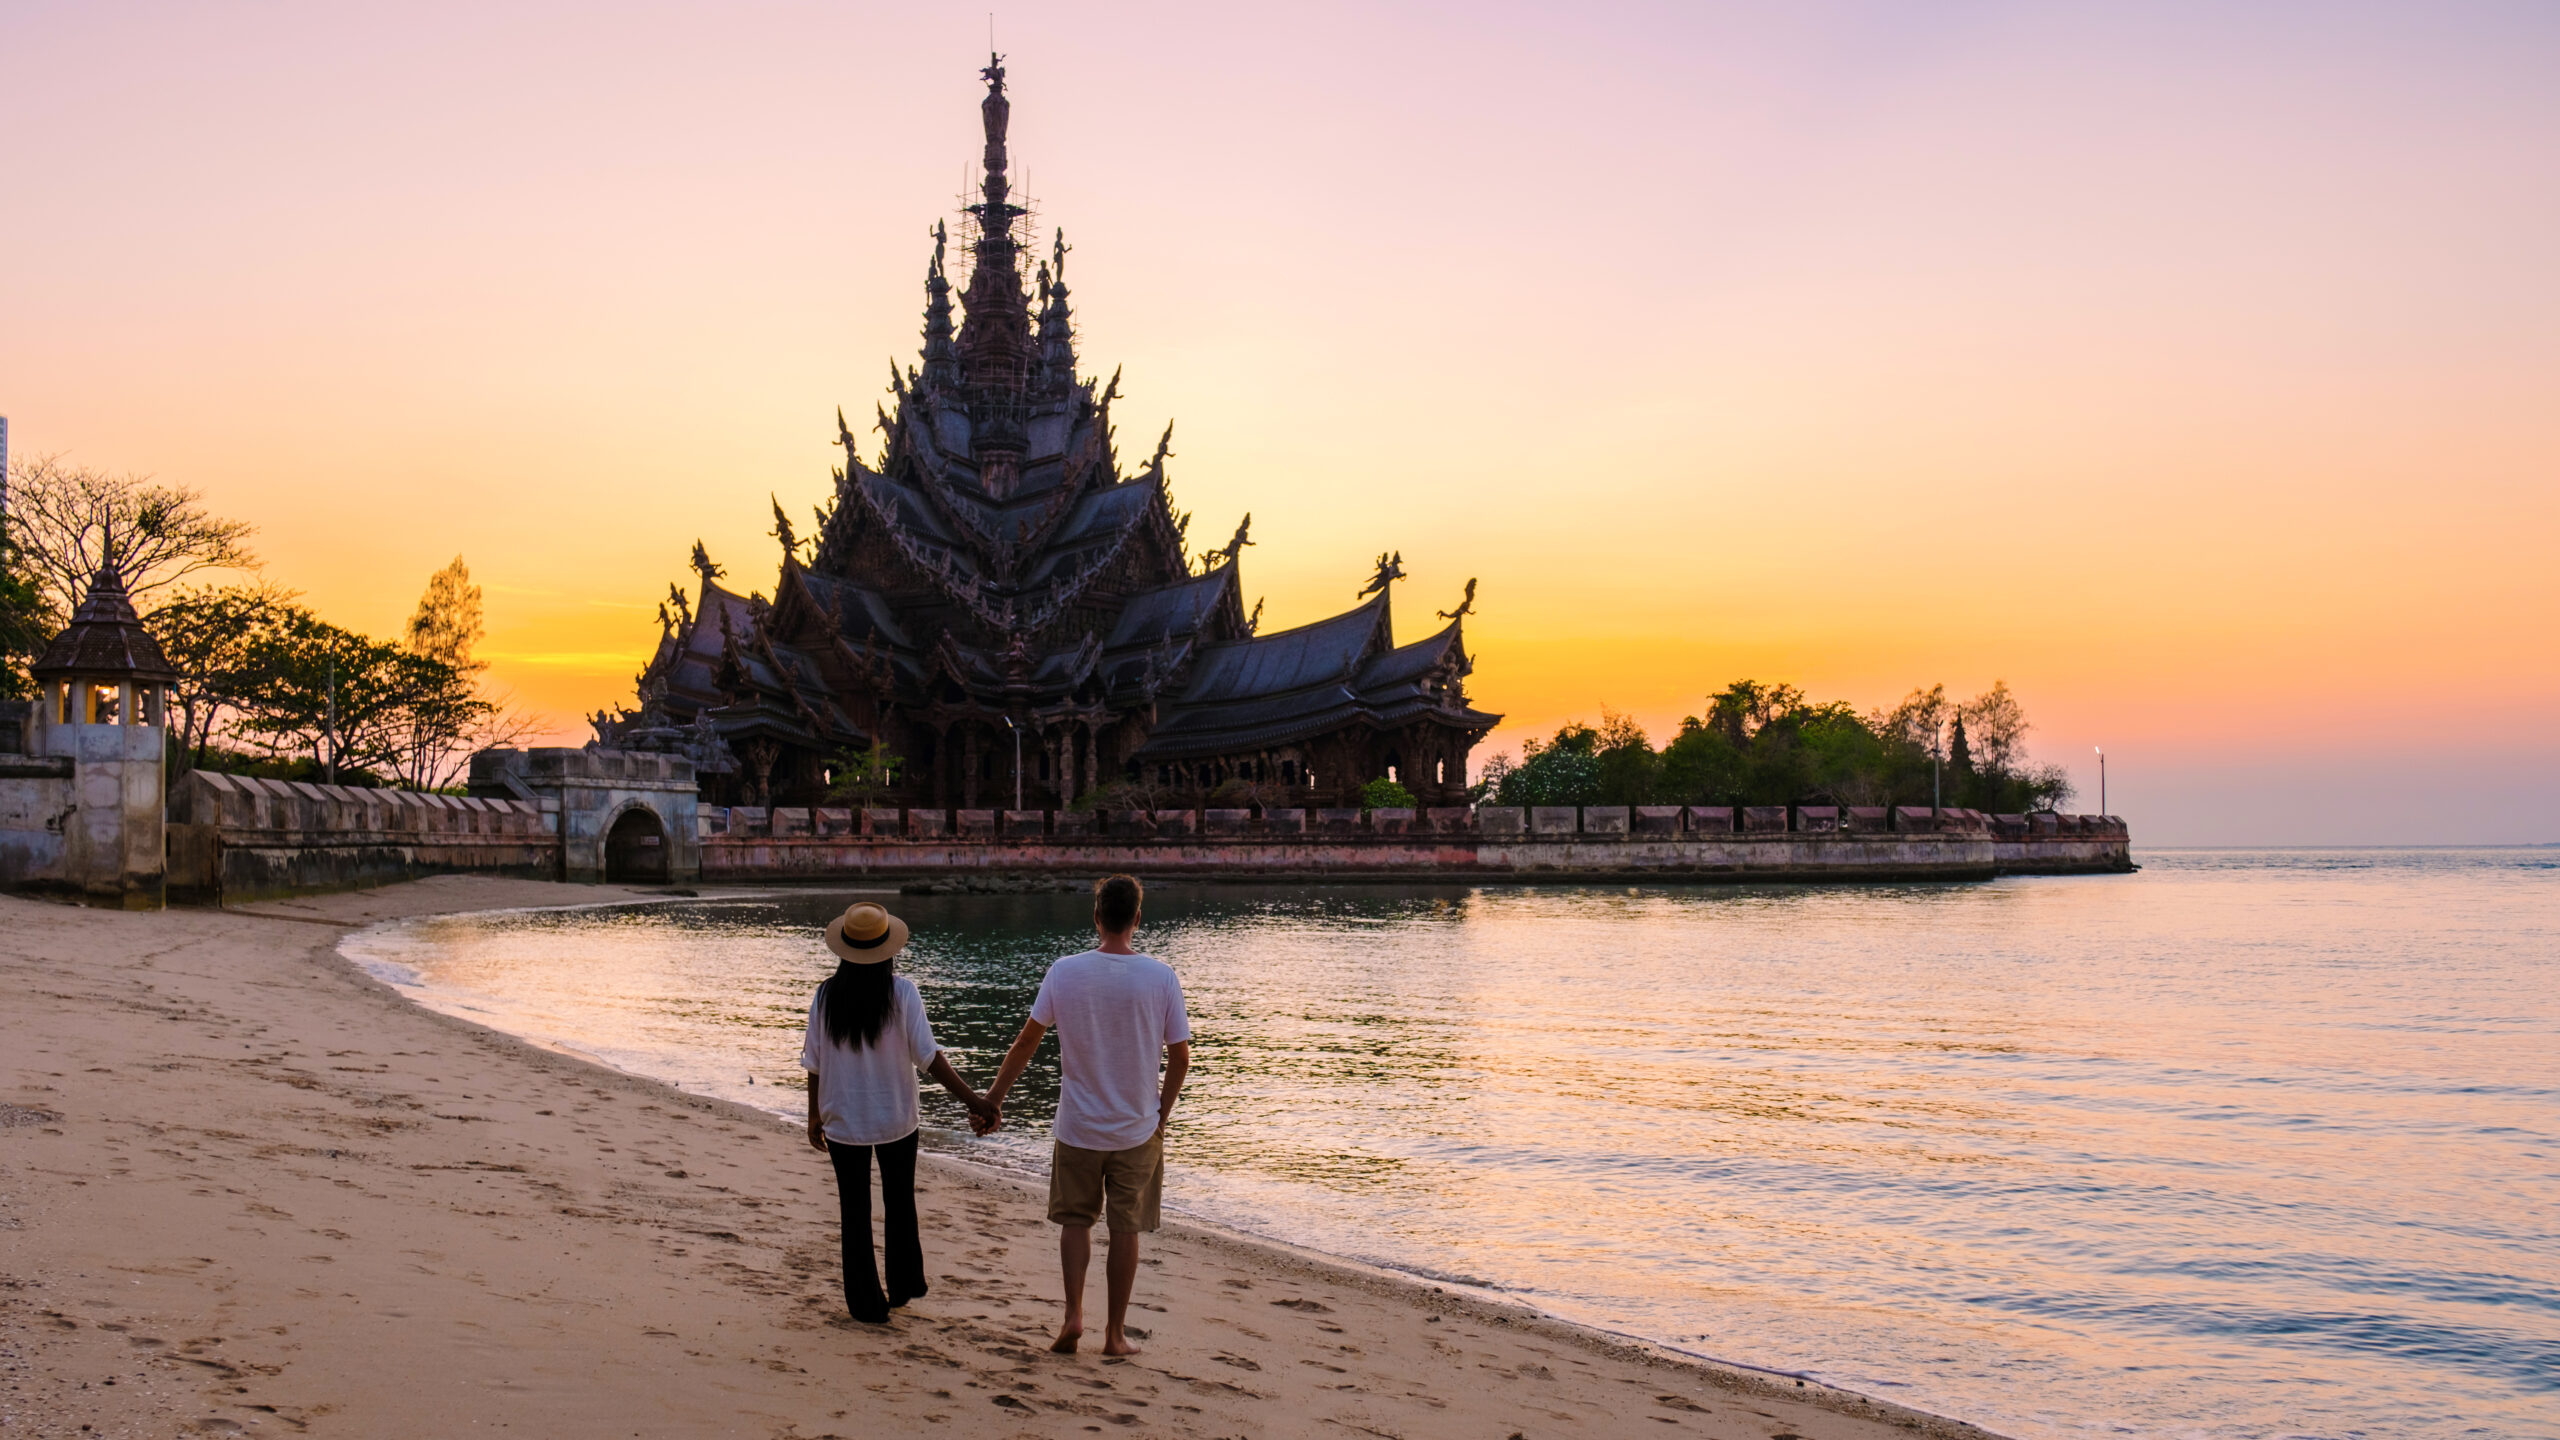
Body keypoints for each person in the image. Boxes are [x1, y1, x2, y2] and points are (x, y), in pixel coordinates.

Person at [983, 874, 1191, 1356]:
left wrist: (994, 1098)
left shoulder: (1064, 971)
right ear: (1137, 918)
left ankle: (1072, 1315)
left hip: (1078, 1126)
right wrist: (1162, 1113)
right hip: (1137, 1129)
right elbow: (1180, 1057)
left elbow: (1027, 1041)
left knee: (1075, 1222)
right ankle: (1115, 1335)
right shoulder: (1161, 977)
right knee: (1126, 1229)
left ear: (1096, 917)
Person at [801, 900, 995, 1325]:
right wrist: (975, 1101)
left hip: (843, 1121)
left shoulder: (826, 996)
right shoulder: (902, 993)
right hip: (896, 1119)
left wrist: (814, 1114)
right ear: (888, 949)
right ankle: (903, 1286)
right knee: (899, 1200)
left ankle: (867, 1305)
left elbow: (813, 1062)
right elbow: (929, 1058)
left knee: (854, 1210)